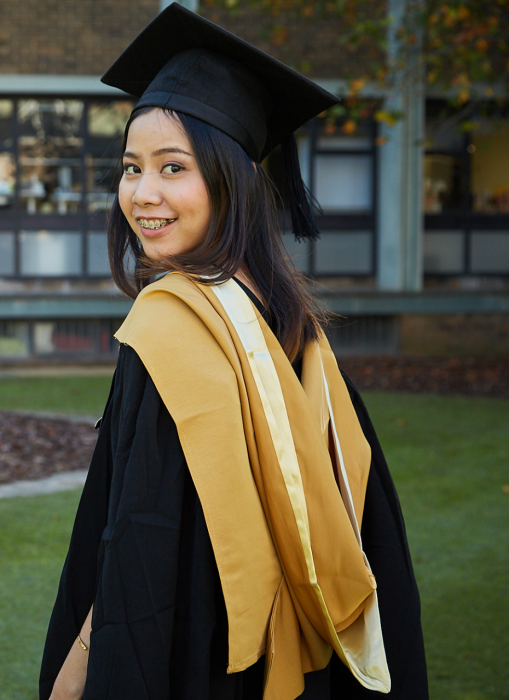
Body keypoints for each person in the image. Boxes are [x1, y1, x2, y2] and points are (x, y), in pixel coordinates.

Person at [39, 4, 428, 700]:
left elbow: (138, 549)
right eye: (132, 167)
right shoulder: (294, 325)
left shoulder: (170, 330)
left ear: (233, 179)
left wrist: (77, 676)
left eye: (172, 167)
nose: (142, 193)